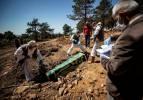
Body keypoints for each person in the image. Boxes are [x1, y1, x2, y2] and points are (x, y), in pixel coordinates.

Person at [100, 0, 143, 100]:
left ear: (123, 14)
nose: (118, 22)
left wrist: (103, 58)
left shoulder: (128, 37)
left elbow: (114, 68)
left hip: (123, 91)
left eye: (117, 18)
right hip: (138, 85)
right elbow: (131, 31)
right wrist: (114, 37)